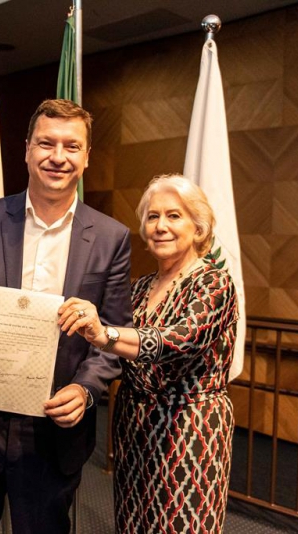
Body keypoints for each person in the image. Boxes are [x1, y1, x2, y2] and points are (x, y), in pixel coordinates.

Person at [0, 99, 133, 534]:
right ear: (27, 149)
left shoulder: (111, 237)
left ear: (86, 156)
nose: (58, 156)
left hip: (52, 429)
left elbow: (113, 336)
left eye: (71, 146)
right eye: (46, 143)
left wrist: (85, 389)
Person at [58, 174, 239, 533]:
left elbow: (178, 341)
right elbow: (108, 355)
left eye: (174, 216)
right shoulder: (138, 288)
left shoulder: (214, 282)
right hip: (133, 427)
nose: (160, 226)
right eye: (153, 217)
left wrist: (104, 333)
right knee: (132, 523)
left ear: (198, 227)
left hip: (189, 430)